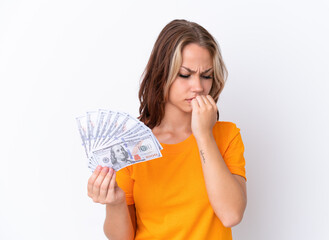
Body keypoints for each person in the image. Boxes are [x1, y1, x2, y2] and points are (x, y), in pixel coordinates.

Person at [87, 19, 247, 239]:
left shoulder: (227, 136)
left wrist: (203, 135)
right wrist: (115, 203)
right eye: (185, 75)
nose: (198, 87)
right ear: (162, 74)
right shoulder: (131, 143)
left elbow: (231, 215)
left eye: (206, 75)